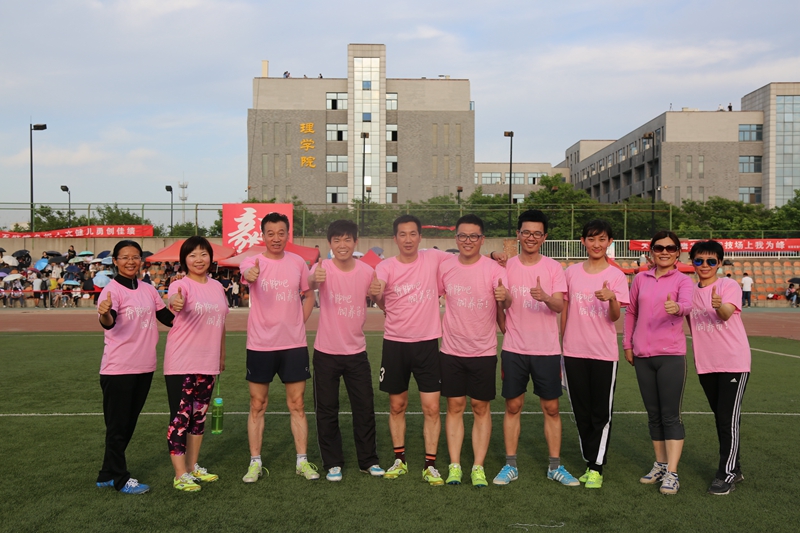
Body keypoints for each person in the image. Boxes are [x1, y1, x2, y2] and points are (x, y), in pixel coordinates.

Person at [493, 210, 579, 487]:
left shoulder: (553, 268)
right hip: (515, 349)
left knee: (551, 408)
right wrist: (505, 326)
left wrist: (545, 297)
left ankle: (555, 466)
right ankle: (510, 465)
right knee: (513, 405)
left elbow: (560, 305)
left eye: (537, 233)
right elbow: (500, 303)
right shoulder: (506, 267)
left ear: (544, 237)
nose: (531, 237)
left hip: (547, 350)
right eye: (526, 232)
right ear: (518, 235)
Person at [371, 214, 452, 486]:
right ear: (395, 238)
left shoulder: (433, 258)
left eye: (413, 234)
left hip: (427, 344)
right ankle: (399, 460)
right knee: (397, 405)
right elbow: (379, 290)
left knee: (432, 407)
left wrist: (494, 255)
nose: (408, 239)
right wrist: (376, 292)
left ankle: (430, 465)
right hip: (395, 345)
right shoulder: (386, 266)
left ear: (420, 237)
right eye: (402, 234)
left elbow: (465, 257)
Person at [238, 213, 317, 483]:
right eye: (270, 233)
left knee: (297, 404)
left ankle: (302, 461)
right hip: (260, 344)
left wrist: (298, 322)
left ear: (287, 234)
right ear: (263, 235)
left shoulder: (297, 262)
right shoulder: (253, 261)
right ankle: (255, 462)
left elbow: (309, 294)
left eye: (281, 233)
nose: (276, 238)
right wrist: (250, 274)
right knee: (257, 404)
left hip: (293, 345)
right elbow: (246, 271)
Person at [95, 240, 175, 495]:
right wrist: (104, 313)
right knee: (118, 426)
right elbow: (109, 322)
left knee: (127, 424)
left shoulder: (148, 289)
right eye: (125, 257)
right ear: (115, 261)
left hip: (144, 366)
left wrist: (193, 316)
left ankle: (106, 474)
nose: (131, 261)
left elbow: (167, 318)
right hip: (119, 368)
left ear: (141, 260)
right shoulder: (111, 291)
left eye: (135, 257)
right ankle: (120, 478)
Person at [308, 219, 384, 482]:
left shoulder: (366, 271)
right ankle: (333, 463)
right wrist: (313, 278)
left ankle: (369, 460)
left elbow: (380, 300)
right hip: (326, 352)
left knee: (364, 407)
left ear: (355, 242)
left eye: (347, 239)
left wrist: (378, 293)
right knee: (327, 410)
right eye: (337, 240)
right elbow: (309, 282)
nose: (342, 245)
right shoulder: (322, 268)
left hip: (356, 352)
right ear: (330, 244)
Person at [438, 214, 511, 487]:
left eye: (473, 236)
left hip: (483, 350)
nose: (467, 241)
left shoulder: (493, 269)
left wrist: (506, 297)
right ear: (455, 238)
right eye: (462, 236)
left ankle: (478, 466)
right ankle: (455, 465)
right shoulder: (445, 266)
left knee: (481, 407)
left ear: (482, 239)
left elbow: (507, 299)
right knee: (454, 406)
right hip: (451, 350)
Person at [623, 231, 694, 495]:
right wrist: (628, 345)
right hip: (643, 355)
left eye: (670, 248)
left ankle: (672, 473)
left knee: (670, 414)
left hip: (671, 355)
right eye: (659, 247)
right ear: (651, 251)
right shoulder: (640, 279)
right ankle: (660, 465)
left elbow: (687, 305)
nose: (664, 252)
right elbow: (631, 312)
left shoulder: (683, 280)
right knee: (653, 414)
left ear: (678, 253)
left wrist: (678, 308)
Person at [561, 219, 630, 489]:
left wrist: (611, 298)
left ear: (610, 242)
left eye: (602, 239)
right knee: (581, 410)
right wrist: (560, 345)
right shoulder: (571, 273)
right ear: (583, 241)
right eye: (591, 239)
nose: (597, 244)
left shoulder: (616, 276)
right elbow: (564, 311)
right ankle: (590, 459)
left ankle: (596, 466)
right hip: (573, 351)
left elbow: (614, 317)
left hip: (603, 353)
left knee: (601, 411)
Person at [163, 237, 228, 492]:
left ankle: (192, 466)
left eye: (203, 254)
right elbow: (173, 300)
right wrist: (175, 302)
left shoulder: (218, 287)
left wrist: (221, 355)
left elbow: (221, 323)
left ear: (211, 257)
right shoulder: (180, 285)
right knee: (181, 417)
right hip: (182, 361)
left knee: (198, 417)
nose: (199, 260)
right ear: (184, 261)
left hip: (208, 362)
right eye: (192, 255)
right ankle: (180, 474)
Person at [688, 241, 750, 495]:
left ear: (720, 263)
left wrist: (718, 305)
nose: (705, 265)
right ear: (692, 263)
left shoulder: (728, 286)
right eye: (699, 260)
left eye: (711, 261)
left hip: (733, 362)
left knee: (727, 419)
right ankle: (735, 467)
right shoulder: (689, 291)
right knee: (721, 417)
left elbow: (726, 313)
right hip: (706, 365)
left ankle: (727, 474)